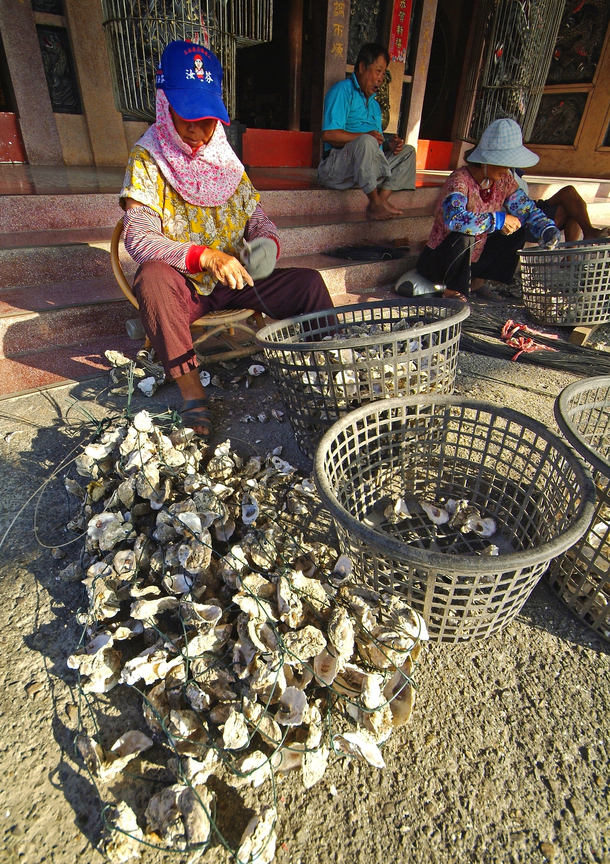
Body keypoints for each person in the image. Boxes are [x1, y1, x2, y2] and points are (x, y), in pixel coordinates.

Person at [119, 40, 333, 437]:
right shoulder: (147, 157)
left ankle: (332, 371)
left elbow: (259, 222)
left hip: (237, 280)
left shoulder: (226, 158)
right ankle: (193, 393)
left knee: (309, 283)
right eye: (187, 117)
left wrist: (265, 247)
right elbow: (140, 238)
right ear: (165, 105)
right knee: (151, 278)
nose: (198, 130)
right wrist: (206, 257)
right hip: (186, 288)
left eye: (207, 119)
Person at [416, 118, 561, 302]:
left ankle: (478, 281)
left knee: (517, 229)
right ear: (486, 160)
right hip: (439, 262)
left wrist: (545, 228)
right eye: (504, 164)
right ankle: (451, 290)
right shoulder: (459, 180)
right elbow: (454, 219)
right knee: (465, 235)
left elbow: (525, 209)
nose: (507, 170)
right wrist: (498, 220)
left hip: (473, 260)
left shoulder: (504, 181)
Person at [318, 42, 416, 220]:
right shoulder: (342, 91)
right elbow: (328, 134)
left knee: (408, 152)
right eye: (378, 71)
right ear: (362, 67)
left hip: (365, 166)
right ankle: (375, 202)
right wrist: (365, 137)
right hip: (337, 167)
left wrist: (389, 144)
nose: (381, 78)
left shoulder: (375, 106)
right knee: (366, 141)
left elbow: (376, 143)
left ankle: (380, 200)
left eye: (384, 73)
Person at [512, 171, 610, 242]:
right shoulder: (506, 180)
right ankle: (571, 254)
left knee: (569, 193)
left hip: (528, 205)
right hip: (525, 219)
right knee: (573, 210)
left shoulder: (512, 173)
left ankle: (588, 231)